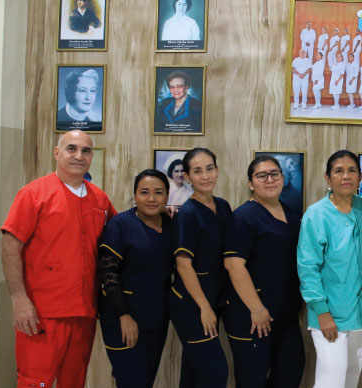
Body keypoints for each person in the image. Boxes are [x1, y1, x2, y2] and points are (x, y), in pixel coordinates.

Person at [1, 130, 117, 388]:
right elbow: (10, 245)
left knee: (74, 381)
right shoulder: (33, 194)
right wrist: (19, 299)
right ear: (57, 153)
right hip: (42, 313)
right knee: (35, 382)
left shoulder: (100, 199)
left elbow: (123, 236)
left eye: (86, 150)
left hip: (84, 312)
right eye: (71, 149)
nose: (79, 156)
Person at [297, 150, 362, 388]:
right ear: (328, 178)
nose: (346, 176)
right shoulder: (316, 214)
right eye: (339, 171)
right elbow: (307, 267)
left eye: (352, 170)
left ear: (360, 176)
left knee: (352, 377)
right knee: (331, 381)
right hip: (329, 313)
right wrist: (321, 311)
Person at [224, 156, 304, 387]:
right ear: (251, 183)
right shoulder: (243, 216)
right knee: (253, 379)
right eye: (262, 176)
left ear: (282, 178)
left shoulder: (291, 214)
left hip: (286, 314)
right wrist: (257, 308)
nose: (269, 180)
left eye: (275, 174)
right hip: (253, 315)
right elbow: (233, 265)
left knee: (290, 372)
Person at [97, 169, 174, 388]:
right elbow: (108, 275)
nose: (151, 199)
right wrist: (124, 316)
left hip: (156, 318)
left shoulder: (170, 226)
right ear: (135, 195)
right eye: (144, 192)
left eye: (158, 192)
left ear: (167, 196)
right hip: (123, 319)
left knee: (145, 381)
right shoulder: (120, 225)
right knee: (132, 381)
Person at [168, 147, 231, 387]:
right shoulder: (189, 214)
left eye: (209, 169)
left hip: (214, 299)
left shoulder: (223, 206)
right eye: (197, 171)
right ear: (187, 176)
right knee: (215, 372)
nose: (205, 176)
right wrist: (204, 308)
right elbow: (183, 265)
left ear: (217, 171)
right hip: (191, 306)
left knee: (194, 371)